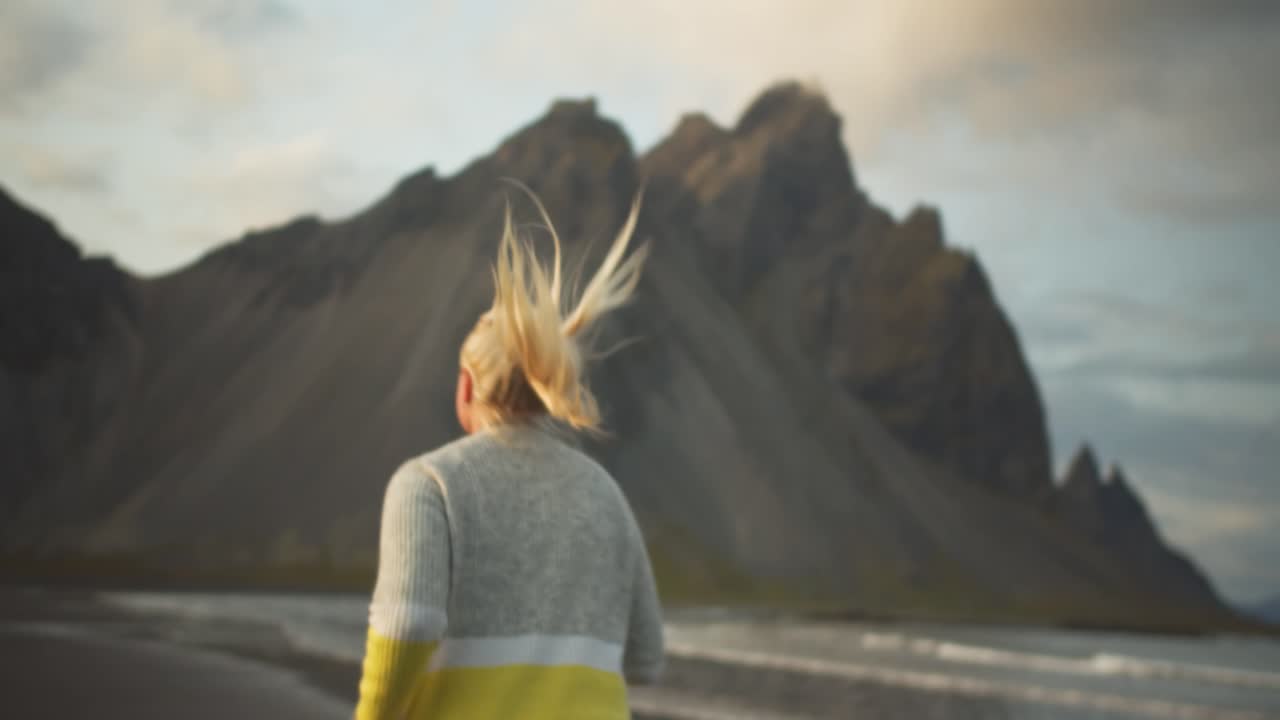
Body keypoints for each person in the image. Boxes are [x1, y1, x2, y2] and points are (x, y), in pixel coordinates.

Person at [354, 185, 665, 719]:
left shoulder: (430, 484)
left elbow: (408, 623)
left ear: (467, 388)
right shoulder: (606, 496)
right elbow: (645, 658)